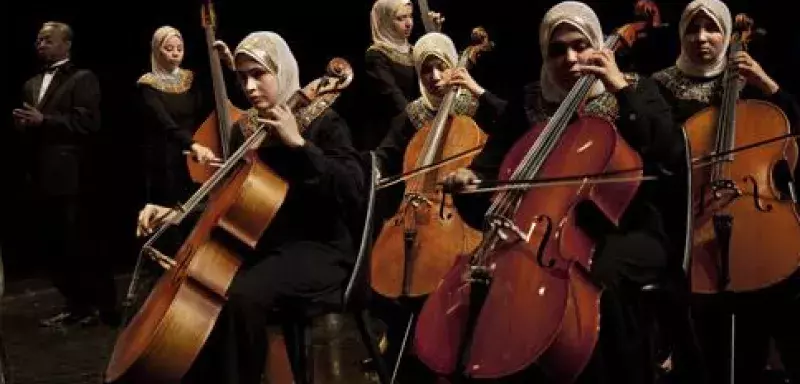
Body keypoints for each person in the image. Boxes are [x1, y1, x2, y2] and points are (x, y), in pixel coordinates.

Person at [442, 2, 684, 382]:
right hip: (544, 234)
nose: (570, 58)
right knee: (491, 283)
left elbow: (668, 149)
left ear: (597, 44)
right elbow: (491, 165)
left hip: (626, 230)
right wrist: (467, 177)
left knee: (597, 277)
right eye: (557, 50)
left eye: (580, 45)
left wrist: (619, 87)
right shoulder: (530, 101)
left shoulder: (636, 88)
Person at [136, 31, 367, 384]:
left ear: (282, 70)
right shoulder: (245, 131)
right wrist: (175, 213)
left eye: (259, 74)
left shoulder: (323, 122)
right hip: (264, 246)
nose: (249, 86)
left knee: (239, 298)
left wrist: (299, 144)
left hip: (320, 250)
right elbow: (230, 202)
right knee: (199, 299)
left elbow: (353, 191)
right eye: (243, 76)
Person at [651, 0, 800, 382]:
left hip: (753, 203)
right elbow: (656, 148)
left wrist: (767, 85)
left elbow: (790, 130)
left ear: (729, 35)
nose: (702, 38)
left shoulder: (748, 82)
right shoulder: (660, 86)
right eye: (692, 29)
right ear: (680, 34)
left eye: (712, 28)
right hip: (688, 207)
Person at [368, 31, 507, 377]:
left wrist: (476, 89)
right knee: (385, 284)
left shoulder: (475, 107)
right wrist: (373, 168)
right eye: (425, 70)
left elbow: (513, 122)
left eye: (440, 67)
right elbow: (384, 153)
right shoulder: (413, 115)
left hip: (469, 213)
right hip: (416, 211)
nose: (434, 77)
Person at [12, 21, 118, 328]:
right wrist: (24, 126)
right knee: (54, 246)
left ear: (66, 44)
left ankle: (102, 307)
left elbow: (88, 123)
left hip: (75, 177)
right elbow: (35, 128)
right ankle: (76, 306)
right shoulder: (31, 83)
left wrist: (44, 121)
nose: (40, 44)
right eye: (37, 39)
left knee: (82, 244)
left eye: (47, 39)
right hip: (41, 177)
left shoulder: (83, 78)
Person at [138, 26, 217, 211]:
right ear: (157, 50)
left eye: (179, 49)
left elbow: (205, 110)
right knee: (171, 209)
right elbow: (165, 123)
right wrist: (191, 144)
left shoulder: (190, 78)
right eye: (169, 49)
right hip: (166, 156)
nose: (175, 54)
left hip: (198, 152)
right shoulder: (147, 85)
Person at [359, 0, 443, 150]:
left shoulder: (414, 50)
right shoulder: (376, 55)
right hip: (396, 134)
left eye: (410, 16)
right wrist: (423, 123)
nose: (409, 23)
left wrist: (436, 35)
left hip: (420, 125)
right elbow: (393, 97)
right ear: (385, 21)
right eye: (400, 18)